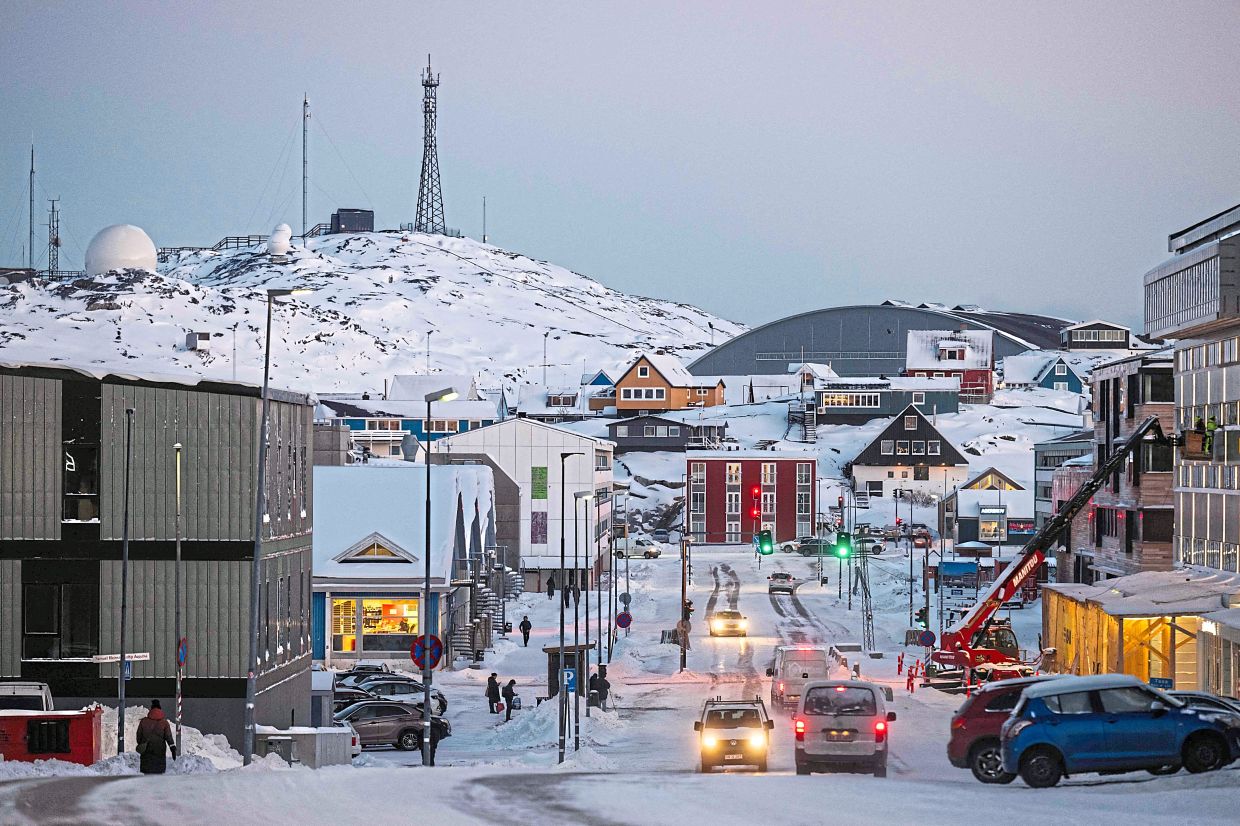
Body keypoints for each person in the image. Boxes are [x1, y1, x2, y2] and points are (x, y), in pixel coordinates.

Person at [135, 699, 176, 775]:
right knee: (158, 773)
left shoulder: (144, 721)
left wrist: (142, 743)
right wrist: (172, 748)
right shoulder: (164, 723)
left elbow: (138, 735)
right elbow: (168, 737)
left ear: (151, 709)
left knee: (147, 772)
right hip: (159, 750)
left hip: (147, 750)